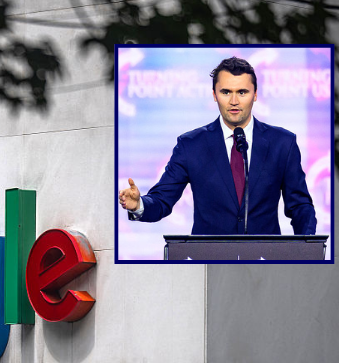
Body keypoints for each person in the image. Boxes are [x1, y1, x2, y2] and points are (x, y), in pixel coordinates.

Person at [119, 56, 317, 235]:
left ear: (255, 95)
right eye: (225, 92)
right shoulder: (190, 145)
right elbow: (162, 200)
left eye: (242, 92)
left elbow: (300, 206)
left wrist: (307, 249)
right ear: (214, 95)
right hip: (208, 262)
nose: (234, 101)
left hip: (264, 264)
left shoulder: (283, 143)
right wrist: (138, 205)